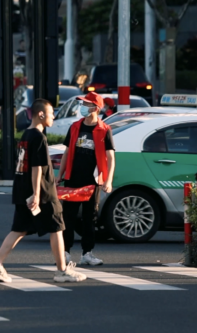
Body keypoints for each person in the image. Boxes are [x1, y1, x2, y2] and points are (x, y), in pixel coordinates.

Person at [0, 99, 86, 283]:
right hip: (43, 193)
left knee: (19, 229)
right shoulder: (39, 137)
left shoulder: (26, 135)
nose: (53, 117)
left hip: (22, 189)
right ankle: (62, 271)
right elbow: (37, 167)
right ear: (41, 114)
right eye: (51, 113)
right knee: (57, 228)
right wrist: (37, 194)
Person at [56, 91, 115, 266]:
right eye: (83, 104)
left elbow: (110, 156)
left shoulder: (104, 130)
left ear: (96, 108)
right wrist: (60, 174)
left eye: (87, 104)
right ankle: (65, 253)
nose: (83, 107)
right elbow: (67, 152)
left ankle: (87, 253)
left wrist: (108, 180)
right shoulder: (75, 126)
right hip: (73, 178)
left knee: (90, 218)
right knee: (68, 216)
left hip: (93, 180)